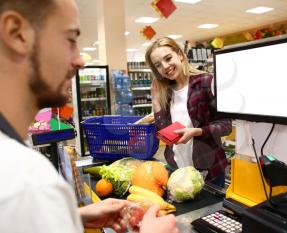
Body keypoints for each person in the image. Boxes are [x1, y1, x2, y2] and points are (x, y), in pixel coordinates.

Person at [0, 1, 178, 233]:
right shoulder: (25, 182)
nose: (80, 60)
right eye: (70, 39)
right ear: (17, 33)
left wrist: (73, 218)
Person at [145, 37, 232, 187]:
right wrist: (155, 98)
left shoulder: (206, 82)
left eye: (168, 58)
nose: (165, 66)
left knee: (209, 210)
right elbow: (164, 131)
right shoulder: (165, 91)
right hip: (177, 170)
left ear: (180, 54)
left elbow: (226, 126)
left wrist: (197, 131)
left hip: (209, 168)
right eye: (158, 65)